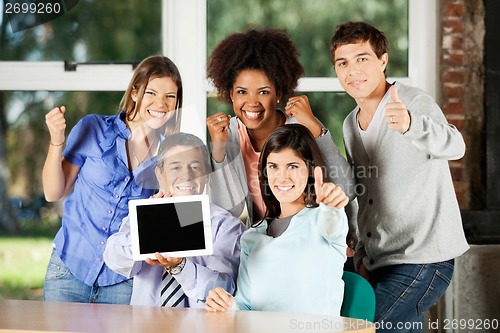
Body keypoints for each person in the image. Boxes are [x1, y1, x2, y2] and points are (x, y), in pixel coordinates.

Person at [330, 21, 469, 332]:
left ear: (383, 61)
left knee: (360, 326)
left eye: (362, 59)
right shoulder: (350, 124)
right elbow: (361, 194)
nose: (353, 70)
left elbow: (456, 146)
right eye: (343, 62)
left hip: (424, 259)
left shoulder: (412, 101)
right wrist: (362, 254)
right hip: (379, 260)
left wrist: (410, 125)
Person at [42, 55, 184, 304]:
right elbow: (53, 192)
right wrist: (56, 141)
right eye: (151, 92)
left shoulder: (169, 156)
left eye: (170, 96)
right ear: (134, 92)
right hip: (68, 271)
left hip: (121, 282)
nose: (161, 104)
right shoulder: (93, 128)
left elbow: (167, 223)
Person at [206, 28, 356, 229]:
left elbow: (347, 189)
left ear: (278, 94)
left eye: (263, 92)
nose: (252, 102)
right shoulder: (229, 133)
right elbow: (226, 210)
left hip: (312, 239)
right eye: (242, 91)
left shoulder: (300, 125)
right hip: (263, 243)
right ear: (230, 94)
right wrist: (218, 151)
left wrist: (313, 126)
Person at [204, 124, 349, 316]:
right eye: (273, 166)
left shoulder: (323, 219)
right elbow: (245, 305)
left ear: (311, 170)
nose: (282, 177)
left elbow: (334, 225)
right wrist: (225, 305)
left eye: (293, 166)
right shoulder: (251, 237)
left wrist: (332, 206)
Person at [104, 132, 246, 307]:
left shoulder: (226, 226)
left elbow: (223, 289)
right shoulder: (143, 214)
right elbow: (114, 260)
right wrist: (148, 226)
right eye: (175, 167)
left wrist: (180, 267)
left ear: (207, 175)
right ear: (159, 174)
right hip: (144, 325)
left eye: (195, 167)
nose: (186, 176)